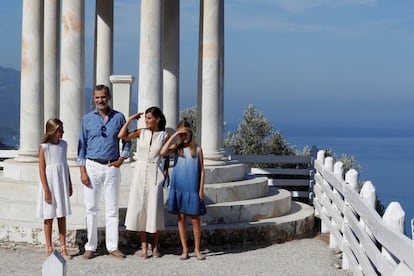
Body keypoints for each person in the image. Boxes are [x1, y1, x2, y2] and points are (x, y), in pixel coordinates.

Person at [77, 84, 131, 259]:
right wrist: (82, 171)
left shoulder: (119, 118)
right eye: (97, 97)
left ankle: (112, 246)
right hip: (92, 165)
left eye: (103, 97)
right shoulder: (86, 119)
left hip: (111, 166)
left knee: (112, 208)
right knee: (91, 208)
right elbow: (81, 146)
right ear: (93, 98)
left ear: (109, 97)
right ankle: (91, 247)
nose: (100, 100)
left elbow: (127, 141)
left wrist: (122, 159)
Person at [118, 106, 168, 258]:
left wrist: (164, 174)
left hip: (154, 171)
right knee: (141, 207)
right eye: (146, 118)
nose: (146, 121)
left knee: (155, 209)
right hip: (140, 171)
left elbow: (166, 157)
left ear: (157, 119)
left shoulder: (164, 135)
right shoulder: (141, 132)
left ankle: (155, 246)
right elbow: (122, 135)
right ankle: (144, 245)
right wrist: (130, 120)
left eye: (149, 118)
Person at [159, 120, 206, 260]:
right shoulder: (176, 147)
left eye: (186, 133)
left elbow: (202, 171)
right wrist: (174, 136)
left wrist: (201, 189)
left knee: (196, 219)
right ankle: (185, 249)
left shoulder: (197, 149)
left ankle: (197, 249)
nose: (184, 136)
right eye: (182, 134)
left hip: (192, 188)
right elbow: (162, 152)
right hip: (178, 187)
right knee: (181, 219)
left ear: (191, 133)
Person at [36, 118, 73, 260]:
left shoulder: (64, 145)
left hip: (61, 182)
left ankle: (63, 248)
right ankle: (49, 248)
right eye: (59, 131)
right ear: (52, 131)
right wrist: (46, 190)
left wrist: (69, 183)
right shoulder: (44, 147)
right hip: (49, 183)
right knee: (48, 216)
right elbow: (41, 169)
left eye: (62, 130)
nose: (62, 133)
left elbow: (65, 165)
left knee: (61, 215)